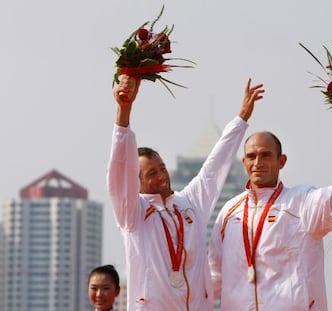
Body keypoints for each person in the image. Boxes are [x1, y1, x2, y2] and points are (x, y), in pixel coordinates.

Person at [106, 75, 265, 310]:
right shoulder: (133, 213)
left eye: (162, 168)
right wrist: (123, 113)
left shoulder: (189, 202)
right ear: (137, 183)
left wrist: (241, 119)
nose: (161, 176)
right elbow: (119, 171)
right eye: (151, 174)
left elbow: (215, 166)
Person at [208, 123, 332, 310]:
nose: (257, 162)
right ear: (244, 162)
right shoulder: (229, 213)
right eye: (251, 156)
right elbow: (213, 276)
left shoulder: (300, 202)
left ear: (281, 161)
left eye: (265, 155)